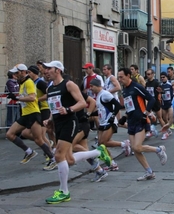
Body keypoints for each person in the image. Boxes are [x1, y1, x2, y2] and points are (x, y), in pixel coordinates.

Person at [43, 61, 112, 204]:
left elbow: (83, 102)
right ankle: (98, 152)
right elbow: (54, 107)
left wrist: (68, 110)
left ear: (58, 70)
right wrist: (49, 119)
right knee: (69, 160)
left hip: (70, 122)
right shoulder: (50, 89)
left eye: (49, 68)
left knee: (58, 155)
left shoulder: (68, 84)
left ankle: (64, 192)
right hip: (58, 124)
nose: (46, 71)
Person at [117, 67, 167, 181]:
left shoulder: (136, 87)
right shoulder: (125, 90)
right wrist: (124, 117)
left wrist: (146, 113)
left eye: (121, 77)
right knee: (135, 149)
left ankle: (159, 150)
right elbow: (131, 106)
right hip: (131, 121)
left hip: (141, 120)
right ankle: (149, 172)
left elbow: (151, 99)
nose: (119, 79)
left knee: (137, 146)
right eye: (118, 77)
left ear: (128, 75)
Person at [5, 64, 55, 170]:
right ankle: (29, 151)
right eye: (14, 73)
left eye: (17, 73)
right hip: (25, 114)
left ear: (24, 72)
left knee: (38, 139)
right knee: (10, 134)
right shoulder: (22, 83)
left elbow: (32, 98)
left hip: (33, 113)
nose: (15, 75)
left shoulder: (29, 82)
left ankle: (53, 158)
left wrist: (17, 98)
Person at [90, 78, 128, 171]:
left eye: (92, 86)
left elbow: (118, 105)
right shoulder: (98, 95)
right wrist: (89, 115)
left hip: (110, 121)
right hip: (102, 122)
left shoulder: (105, 94)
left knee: (104, 143)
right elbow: (101, 110)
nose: (90, 88)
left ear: (98, 86)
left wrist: (112, 116)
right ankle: (112, 164)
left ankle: (124, 144)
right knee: (100, 145)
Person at [145, 68, 167, 139]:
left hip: (156, 102)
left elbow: (163, 91)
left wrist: (161, 91)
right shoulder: (147, 83)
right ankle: (150, 131)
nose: (147, 75)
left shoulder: (156, 83)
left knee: (160, 118)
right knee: (149, 117)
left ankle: (165, 132)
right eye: (147, 74)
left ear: (152, 74)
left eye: (149, 74)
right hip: (149, 102)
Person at [159, 72, 174, 139]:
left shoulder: (170, 84)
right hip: (164, 103)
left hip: (170, 103)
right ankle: (168, 129)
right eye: (161, 77)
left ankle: (172, 124)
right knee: (164, 118)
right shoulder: (161, 85)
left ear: (166, 77)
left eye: (163, 77)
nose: (162, 78)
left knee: (170, 116)